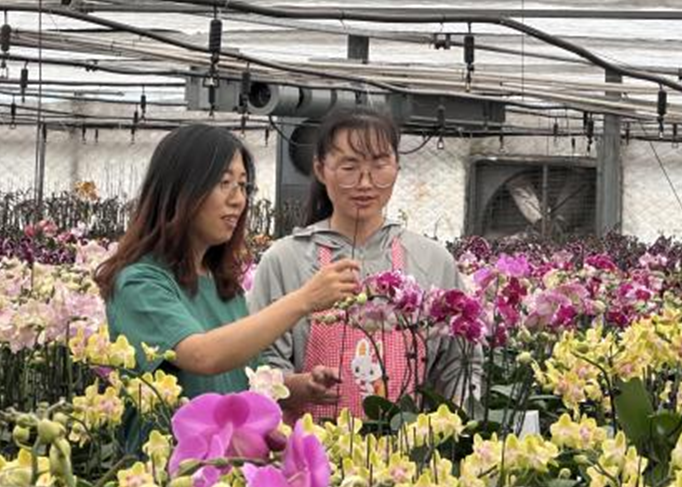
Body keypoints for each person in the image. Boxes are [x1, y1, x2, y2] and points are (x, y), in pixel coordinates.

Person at [95, 124, 360, 447]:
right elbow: (202, 356)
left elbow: (247, 380)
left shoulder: (223, 285)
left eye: (243, 186)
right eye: (224, 184)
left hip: (228, 465)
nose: (238, 200)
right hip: (169, 468)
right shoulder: (140, 282)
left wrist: (299, 387)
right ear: (181, 188)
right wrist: (303, 300)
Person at [249, 106, 478, 420]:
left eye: (379, 165)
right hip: (310, 445)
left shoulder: (432, 260)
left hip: (408, 447)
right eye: (349, 167)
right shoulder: (285, 260)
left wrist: (454, 427)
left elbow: (459, 364)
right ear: (320, 169)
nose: (365, 183)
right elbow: (259, 365)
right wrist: (298, 387)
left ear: (397, 168)